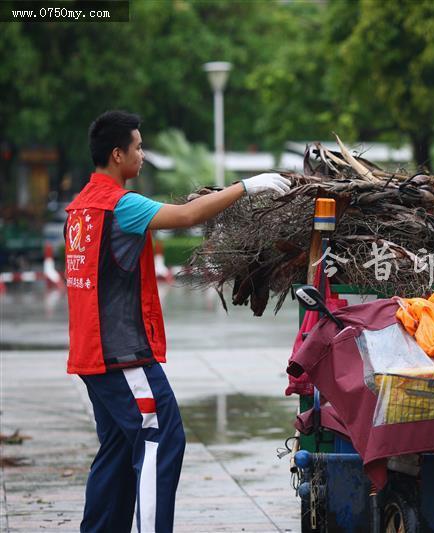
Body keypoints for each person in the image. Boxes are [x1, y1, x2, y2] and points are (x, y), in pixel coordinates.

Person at [64, 110, 290, 533]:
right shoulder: (119, 206)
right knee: (161, 439)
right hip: (122, 356)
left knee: (116, 449)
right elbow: (186, 216)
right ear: (118, 155)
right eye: (138, 147)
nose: (143, 155)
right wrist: (246, 187)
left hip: (92, 356)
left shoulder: (80, 209)